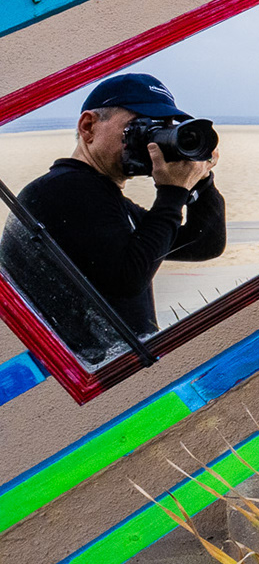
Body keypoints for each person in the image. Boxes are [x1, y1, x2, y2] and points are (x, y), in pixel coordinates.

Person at [0, 73, 224, 363]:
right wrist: (172, 192)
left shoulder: (102, 197)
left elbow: (202, 244)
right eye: (138, 127)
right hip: (94, 377)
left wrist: (200, 179)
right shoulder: (65, 189)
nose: (149, 142)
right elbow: (127, 279)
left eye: (160, 130)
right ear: (89, 127)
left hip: (114, 372)